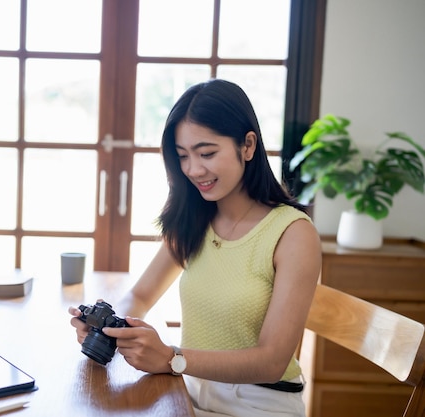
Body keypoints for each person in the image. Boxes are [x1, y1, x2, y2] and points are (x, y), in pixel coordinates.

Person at [69, 79, 322, 417]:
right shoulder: (195, 219)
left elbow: (273, 361)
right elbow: (141, 297)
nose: (193, 169)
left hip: (259, 403)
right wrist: (111, 325)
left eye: (207, 153)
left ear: (247, 146)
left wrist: (172, 357)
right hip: (189, 390)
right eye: (183, 156)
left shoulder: (292, 234)